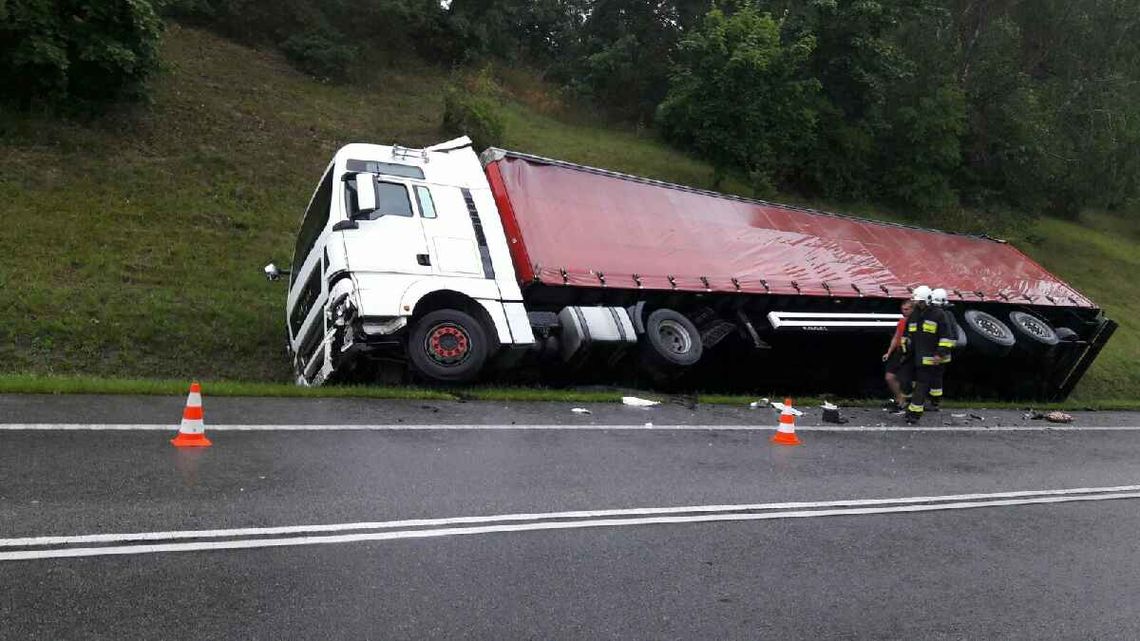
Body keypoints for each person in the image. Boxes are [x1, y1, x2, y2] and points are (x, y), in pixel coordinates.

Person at [896, 285, 954, 425]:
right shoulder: (915, 314)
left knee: (921, 385)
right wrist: (904, 348)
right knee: (904, 380)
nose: (915, 302)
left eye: (918, 301)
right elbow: (907, 333)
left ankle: (914, 413)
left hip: (928, 358)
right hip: (911, 356)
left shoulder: (938, 314)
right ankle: (909, 403)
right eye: (915, 300)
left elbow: (946, 337)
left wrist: (939, 354)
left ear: (925, 301)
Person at [926, 288, 957, 411]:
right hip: (940, 353)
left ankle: (933, 402)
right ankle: (934, 402)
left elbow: (950, 336)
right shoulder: (948, 314)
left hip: (938, 354)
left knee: (934, 379)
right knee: (935, 378)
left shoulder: (943, 315)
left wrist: (940, 352)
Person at [882, 299, 915, 411]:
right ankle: (900, 399)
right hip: (899, 351)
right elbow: (896, 337)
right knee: (889, 377)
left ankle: (907, 401)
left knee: (906, 379)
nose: (904, 312)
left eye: (906, 309)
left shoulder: (917, 322)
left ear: (913, 309)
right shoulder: (901, 321)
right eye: (902, 309)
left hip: (910, 353)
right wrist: (889, 352)